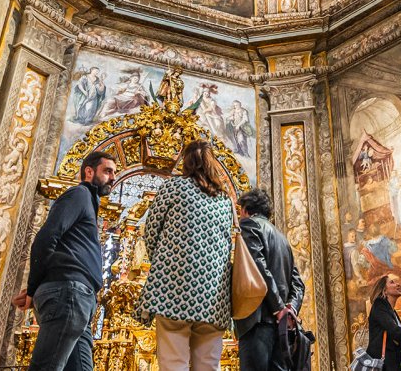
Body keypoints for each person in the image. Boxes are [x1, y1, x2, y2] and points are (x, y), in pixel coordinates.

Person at [12, 151, 118, 371]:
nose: (113, 177)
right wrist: (32, 289)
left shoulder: (89, 202)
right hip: (70, 295)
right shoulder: (79, 194)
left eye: (114, 172)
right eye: (108, 171)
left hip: (79, 301)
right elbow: (45, 238)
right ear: (89, 171)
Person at [140, 141, 235, 369]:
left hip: (174, 289)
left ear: (186, 162)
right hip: (214, 296)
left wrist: (165, 262)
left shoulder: (173, 187)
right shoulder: (225, 200)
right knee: (208, 365)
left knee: (174, 363)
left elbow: (151, 232)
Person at [235, 188, 305, 371]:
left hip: (258, 320)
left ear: (245, 209)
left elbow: (259, 269)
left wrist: (279, 308)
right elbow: (298, 283)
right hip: (281, 326)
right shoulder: (282, 238)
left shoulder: (249, 225)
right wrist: (290, 309)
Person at [366, 275, 401, 371]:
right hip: (384, 365)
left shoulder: (392, 311)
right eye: (392, 282)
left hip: (396, 364)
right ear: (384, 290)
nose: (398, 284)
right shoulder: (379, 305)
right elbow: (394, 330)